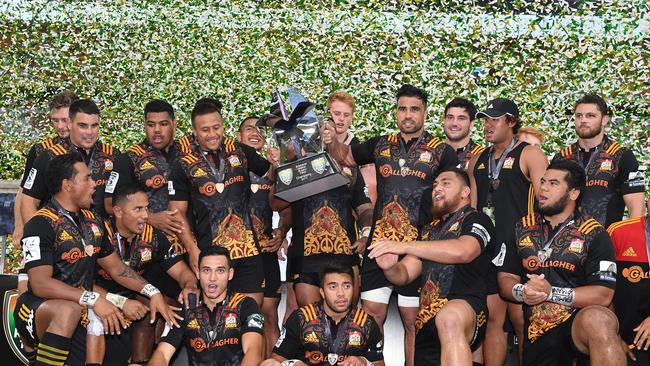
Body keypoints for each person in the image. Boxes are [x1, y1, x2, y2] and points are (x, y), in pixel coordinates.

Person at [323, 84, 459, 366]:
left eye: (414, 109)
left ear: (424, 112)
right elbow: (343, 156)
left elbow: (454, 195)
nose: (407, 115)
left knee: (413, 321)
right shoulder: (379, 144)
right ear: (396, 112)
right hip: (378, 246)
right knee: (372, 317)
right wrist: (329, 140)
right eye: (402, 109)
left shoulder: (442, 151)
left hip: (417, 249)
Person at [14, 153, 180, 366]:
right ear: (67, 185)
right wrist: (93, 299)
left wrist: (153, 292)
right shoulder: (39, 224)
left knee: (94, 327)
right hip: (37, 308)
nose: (94, 184)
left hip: (81, 311)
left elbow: (118, 270)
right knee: (68, 310)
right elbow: (40, 284)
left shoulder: (94, 222)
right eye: (87, 178)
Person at [497, 160, 624, 365]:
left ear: (573, 193)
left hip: (577, 324)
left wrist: (551, 293)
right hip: (538, 332)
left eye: (553, 183)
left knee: (599, 320)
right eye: (543, 181)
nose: (543, 188)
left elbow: (603, 293)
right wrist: (523, 291)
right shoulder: (521, 227)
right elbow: (505, 279)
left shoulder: (595, 233)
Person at [368, 167, 495, 365]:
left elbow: (464, 251)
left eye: (446, 183)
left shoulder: (477, 219)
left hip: (465, 308)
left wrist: (403, 245)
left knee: (449, 319)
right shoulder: (429, 230)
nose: (437, 188)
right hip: (427, 321)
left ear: (465, 192)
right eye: (435, 184)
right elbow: (405, 274)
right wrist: (390, 267)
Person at [168, 101, 273, 305]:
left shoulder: (241, 152)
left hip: (248, 252)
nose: (212, 134)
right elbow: (176, 213)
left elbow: (272, 175)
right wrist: (192, 249)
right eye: (205, 130)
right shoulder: (182, 164)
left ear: (223, 125)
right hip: (210, 256)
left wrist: (278, 162)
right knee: (214, 319)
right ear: (194, 131)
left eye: (216, 128)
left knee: (251, 318)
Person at [468, 97, 548, 366]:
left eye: (494, 119)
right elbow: (471, 209)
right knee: (493, 318)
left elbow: (546, 198)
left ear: (512, 122)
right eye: (485, 120)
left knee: (521, 319)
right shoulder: (477, 160)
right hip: (486, 248)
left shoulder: (530, 154)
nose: (487, 125)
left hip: (519, 247)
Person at [91, 186, 200, 365]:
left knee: (159, 302)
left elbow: (182, 272)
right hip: (98, 298)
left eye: (147, 208)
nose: (145, 215)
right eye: (138, 209)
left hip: (135, 300)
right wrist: (120, 302)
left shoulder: (153, 236)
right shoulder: (99, 233)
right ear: (118, 211)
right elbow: (80, 283)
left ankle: (140, 361)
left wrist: (190, 286)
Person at [149, 246, 265, 366]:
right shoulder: (187, 306)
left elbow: (253, 351)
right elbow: (162, 353)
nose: (212, 278)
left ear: (230, 274)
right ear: (198, 273)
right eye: (206, 270)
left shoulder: (245, 304)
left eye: (220, 270)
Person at [238, 116, 291, 355]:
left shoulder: (275, 169)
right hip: (237, 256)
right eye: (249, 129)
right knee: (245, 315)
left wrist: (282, 231)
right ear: (238, 137)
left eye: (259, 130)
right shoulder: (229, 169)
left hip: (266, 252)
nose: (255, 133)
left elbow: (286, 209)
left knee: (269, 314)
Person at [261, 262, 384, 366]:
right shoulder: (301, 318)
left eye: (347, 286)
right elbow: (274, 360)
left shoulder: (366, 323)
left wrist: (365, 362)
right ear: (322, 292)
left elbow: (380, 363)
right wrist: (293, 363)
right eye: (333, 287)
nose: (341, 293)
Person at [551, 93, 645, 228]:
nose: (583, 120)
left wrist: (629, 242)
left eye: (590, 115)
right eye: (579, 116)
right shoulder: (562, 157)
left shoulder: (623, 156)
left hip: (606, 242)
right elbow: (550, 202)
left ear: (604, 120)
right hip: (564, 243)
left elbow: (637, 208)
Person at [21, 99, 119, 220]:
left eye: (94, 126)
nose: (89, 132)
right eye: (82, 126)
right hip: (59, 234)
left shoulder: (113, 155)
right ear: (70, 124)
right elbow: (29, 201)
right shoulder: (49, 157)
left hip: (105, 235)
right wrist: (35, 235)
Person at [104, 99, 185, 237]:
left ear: (174, 125)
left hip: (189, 238)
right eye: (151, 124)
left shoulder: (188, 154)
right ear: (144, 126)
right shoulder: (129, 159)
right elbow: (109, 204)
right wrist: (151, 218)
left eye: (163, 124)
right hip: (148, 243)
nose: (157, 130)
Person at [13, 90, 78, 248]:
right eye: (55, 120)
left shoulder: (93, 150)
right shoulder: (40, 150)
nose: (60, 126)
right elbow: (24, 192)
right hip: (47, 227)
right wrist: (20, 226)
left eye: (65, 120)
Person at [607, 197, 650, 364]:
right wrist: (613, 336)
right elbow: (602, 289)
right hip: (623, 338)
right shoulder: (618, 232)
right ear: (647, 201)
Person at [442, 97, 485, 170]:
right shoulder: (433, 152)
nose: (454, 123)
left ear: (471, 124)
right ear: (444, 121)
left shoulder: (483, 156)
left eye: (461, 118)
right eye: (450, 117)